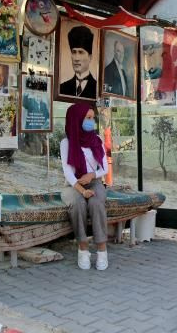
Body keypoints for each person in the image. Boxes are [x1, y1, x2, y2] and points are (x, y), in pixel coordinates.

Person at [60, 103, 109, 270]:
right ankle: (83, 249)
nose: (91, 121)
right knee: (78, 204)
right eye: (88, 118)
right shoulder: (66, 143)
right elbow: (68, 172)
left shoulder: (97, 140)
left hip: (94, 181)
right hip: (73, 184)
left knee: (96, 203)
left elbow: (105, 168)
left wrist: (92, 176)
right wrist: (82, 191)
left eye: (92, 117)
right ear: (77, 120)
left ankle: (102, 251)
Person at [59, 26, 97, 99]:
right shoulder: (62, 88)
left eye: (81, 52)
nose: (76, 58)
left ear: (90, 57)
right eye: (74, 52)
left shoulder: (97, 89)